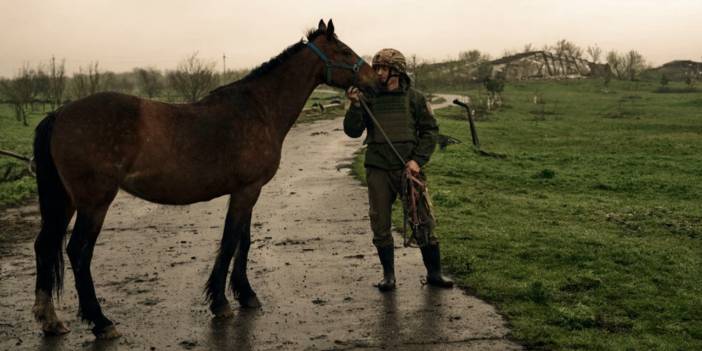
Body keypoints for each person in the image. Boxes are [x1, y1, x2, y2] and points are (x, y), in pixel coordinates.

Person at [343, 48, 453, 291]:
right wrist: (355, 107)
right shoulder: (368, 97)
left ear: (397, 71)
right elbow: (352, 131)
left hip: (408, 170)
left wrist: (417, 161)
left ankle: (435, 273)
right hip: (378, 169)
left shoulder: (414, 98)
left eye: (383, 68)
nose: (379, 72)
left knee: (422, 220)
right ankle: (389, 276)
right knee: (380, 223)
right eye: (377, 68)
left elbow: (430, 132)